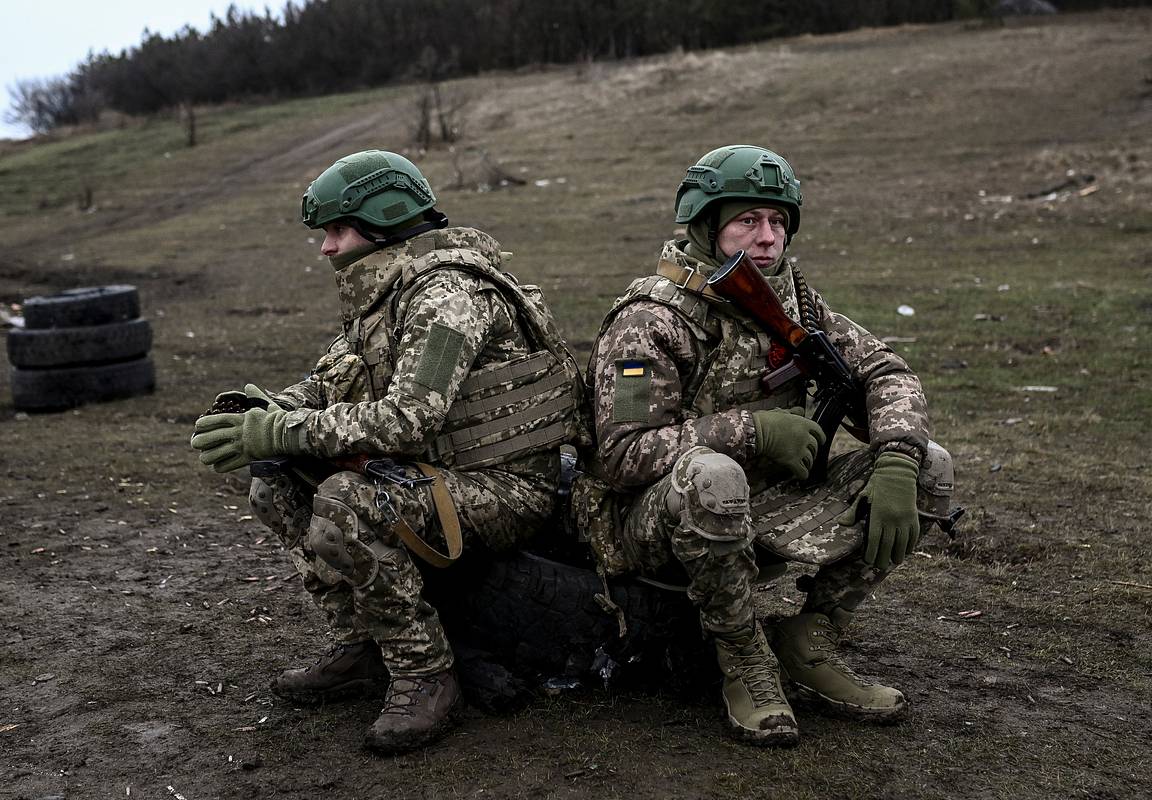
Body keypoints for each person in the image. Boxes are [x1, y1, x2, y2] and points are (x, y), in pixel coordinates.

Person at [190, 150, 587, 754]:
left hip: (506, 487)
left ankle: (425, 674)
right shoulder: (390, 295)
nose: (327, 248)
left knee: (349, 501)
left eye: (337, 231)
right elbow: (332, 381)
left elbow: (408, 417)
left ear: (384, 225)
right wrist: (267, 411)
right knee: (275, 481)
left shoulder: (449, 294)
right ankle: (365, 644)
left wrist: (283, 430)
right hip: (438, 474)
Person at [577, 144, 956, 747]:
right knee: (714, 475)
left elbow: (886, 369)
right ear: (706, 225)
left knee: (929, 466)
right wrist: (752, 432)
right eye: (747, 220)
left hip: (770, 501)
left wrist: (896, 457)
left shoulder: (795, 304)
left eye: (778, 221)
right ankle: (745, 657)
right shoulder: (649, 319)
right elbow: (622, 454)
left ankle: (811, 639)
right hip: (655, 521)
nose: (767, 237)